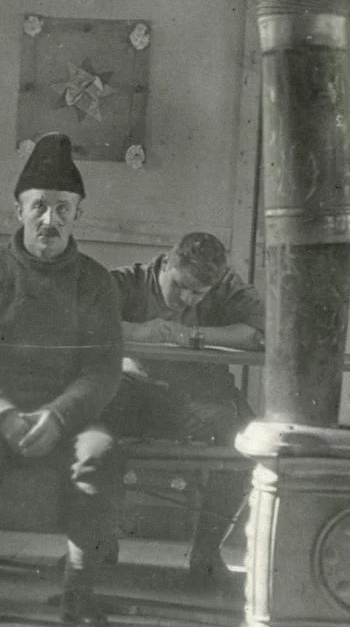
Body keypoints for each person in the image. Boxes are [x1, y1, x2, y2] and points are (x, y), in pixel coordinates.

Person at [0, 132, 125, 627]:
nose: (49, 220)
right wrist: (1, 415)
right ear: (18, 211)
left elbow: (103, 368)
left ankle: (79, 592)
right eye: (39, 206)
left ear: (77, 215)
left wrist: (60, 416)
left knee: (99, 455)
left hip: (67, 416)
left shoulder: (95, 281)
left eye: (63, 208)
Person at [106, 231, 264, 582]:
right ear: (166, 262)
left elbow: (258, 332)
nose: (187, 299)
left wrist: (190, 335)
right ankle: (98, 545)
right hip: (137, 391)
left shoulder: (226, 285)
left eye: (199, 293)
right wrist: (137, 332)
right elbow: (84, 320)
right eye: (179, 286)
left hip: (203, 396)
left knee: (246, 439)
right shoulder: (126, 281)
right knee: (94, 429)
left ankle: (206, 553)